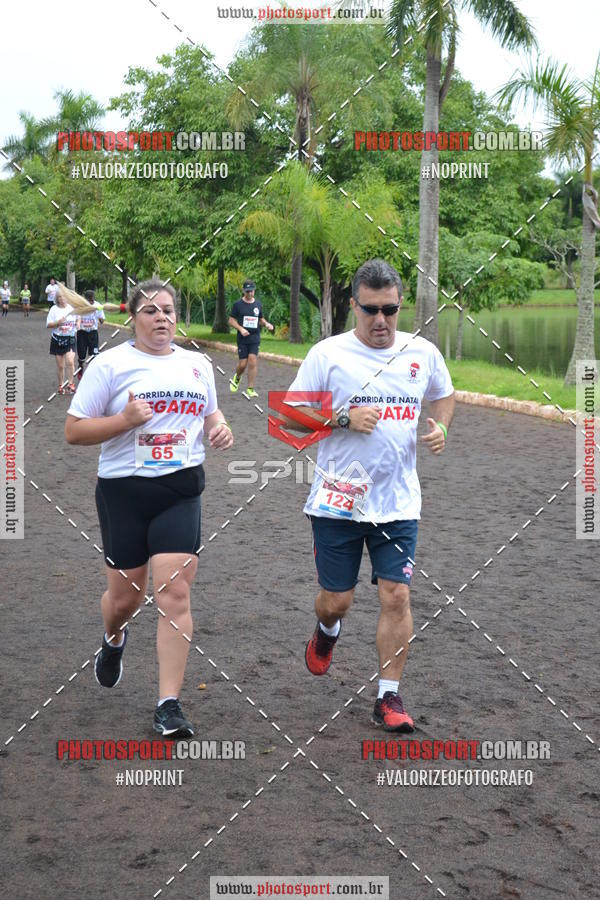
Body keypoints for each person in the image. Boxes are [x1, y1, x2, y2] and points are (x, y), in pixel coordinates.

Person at [281, 258, 455, 733]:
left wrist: (439, 424)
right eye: (371, 310)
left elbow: (443, 394)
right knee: (336, 601)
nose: (381, 321)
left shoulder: (422, 353)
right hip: (338, 499)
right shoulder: (328, 354)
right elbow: (286, 417)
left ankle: (388, 697)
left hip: (399, 503)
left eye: (391, 310)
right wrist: (340, 418)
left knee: (397, 596)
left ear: (401, 306)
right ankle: (327, 630)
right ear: (352, 305)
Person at [64, 280, 234, 738]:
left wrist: (220, 429)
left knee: (173, 594)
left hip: (180, 489)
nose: (162, 318)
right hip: (124, 493)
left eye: (169, 310)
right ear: (132, 318)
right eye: (151, 310)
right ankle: (113, 637)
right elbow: (74, 431)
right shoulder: (110, 365)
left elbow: (212, 415)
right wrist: (124, 421)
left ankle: (168, 705)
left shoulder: (198, 365)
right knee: (125, 599)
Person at [228, 279, 274, 398]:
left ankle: (250, 389)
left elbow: (260, 319)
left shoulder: (258, 304)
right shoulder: (237, 305)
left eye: (251, 291)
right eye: (247, 291)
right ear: (243, 291)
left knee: (253, 360)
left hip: (254, 337)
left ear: (254, 291)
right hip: (243, 338)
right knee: (243, 364)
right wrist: (241, 329)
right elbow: (231, 321)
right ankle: (237, 377)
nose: (250, 293)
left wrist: (267, 324)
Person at [46, 287, 80, 393]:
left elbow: (78, 317)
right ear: (57, 298)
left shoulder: (72, 308)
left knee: (70, 361)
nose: (62, 299)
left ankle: (71, 384)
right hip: (57, 338)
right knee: (61, 366)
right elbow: (48, 324)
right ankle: (61, 385)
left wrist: (78, 324)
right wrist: (58, 323)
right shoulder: (54, 309)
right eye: (60, 297)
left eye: (64, 296)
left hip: (70, 338)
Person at [76, 289, 105, 380]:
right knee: (81, 355)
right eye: (89, 301)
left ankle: (92, 374)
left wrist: (99, 315)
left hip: (93, 333)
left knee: (94, 354)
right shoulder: (81, 306)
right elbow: (77, 319)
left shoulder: (98, 306)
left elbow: (102, 321)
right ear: (86, 300)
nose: (91, 302)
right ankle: (80, 368)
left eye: (92, 300)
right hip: (82, 333)